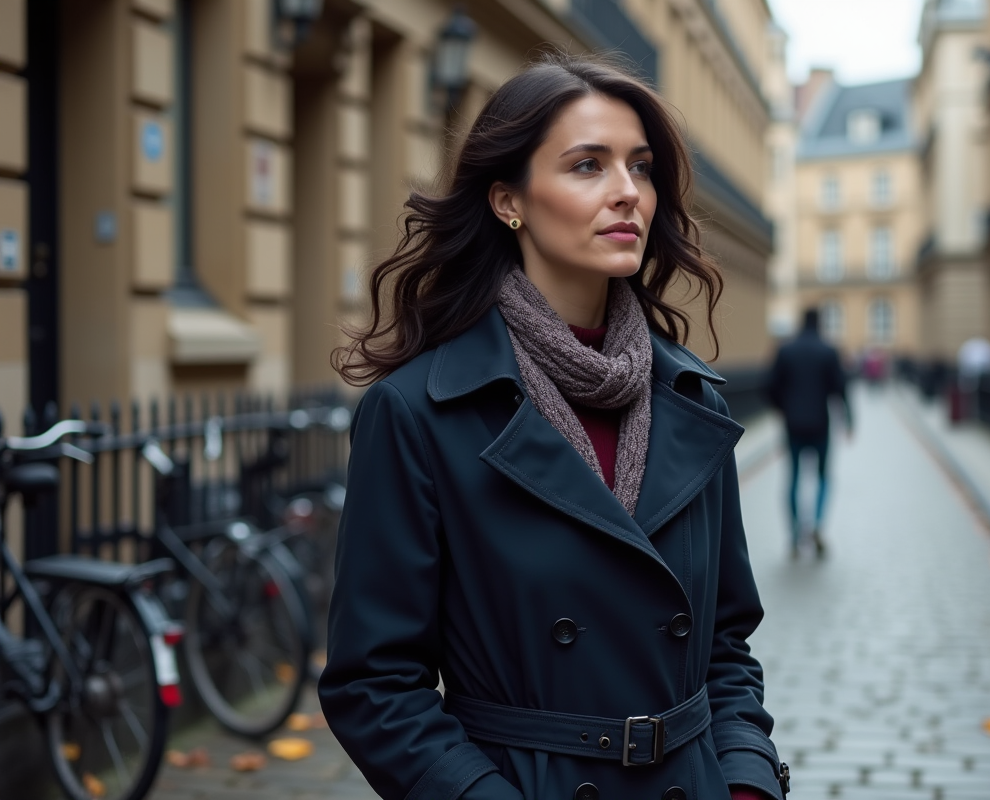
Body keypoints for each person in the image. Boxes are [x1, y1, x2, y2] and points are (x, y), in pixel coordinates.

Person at [318, 53, 788, 800]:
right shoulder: (418, 413)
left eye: (640, 167)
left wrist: (745, 779)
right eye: (587, 166)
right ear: (510, 200)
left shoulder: (692, 399)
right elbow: (374, 685)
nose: (627, 192)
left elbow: (725, 644)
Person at [767, 308, 852, 558]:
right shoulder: (828, 350)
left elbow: (769, 385)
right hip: (820, 424)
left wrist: (783, 408)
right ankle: (815, 524)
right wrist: (848, 419)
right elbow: (840, 388)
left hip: (793, 424)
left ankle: (794, 534)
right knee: (823, 477)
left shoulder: (786, 350)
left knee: (793, 478)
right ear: (821, 323)